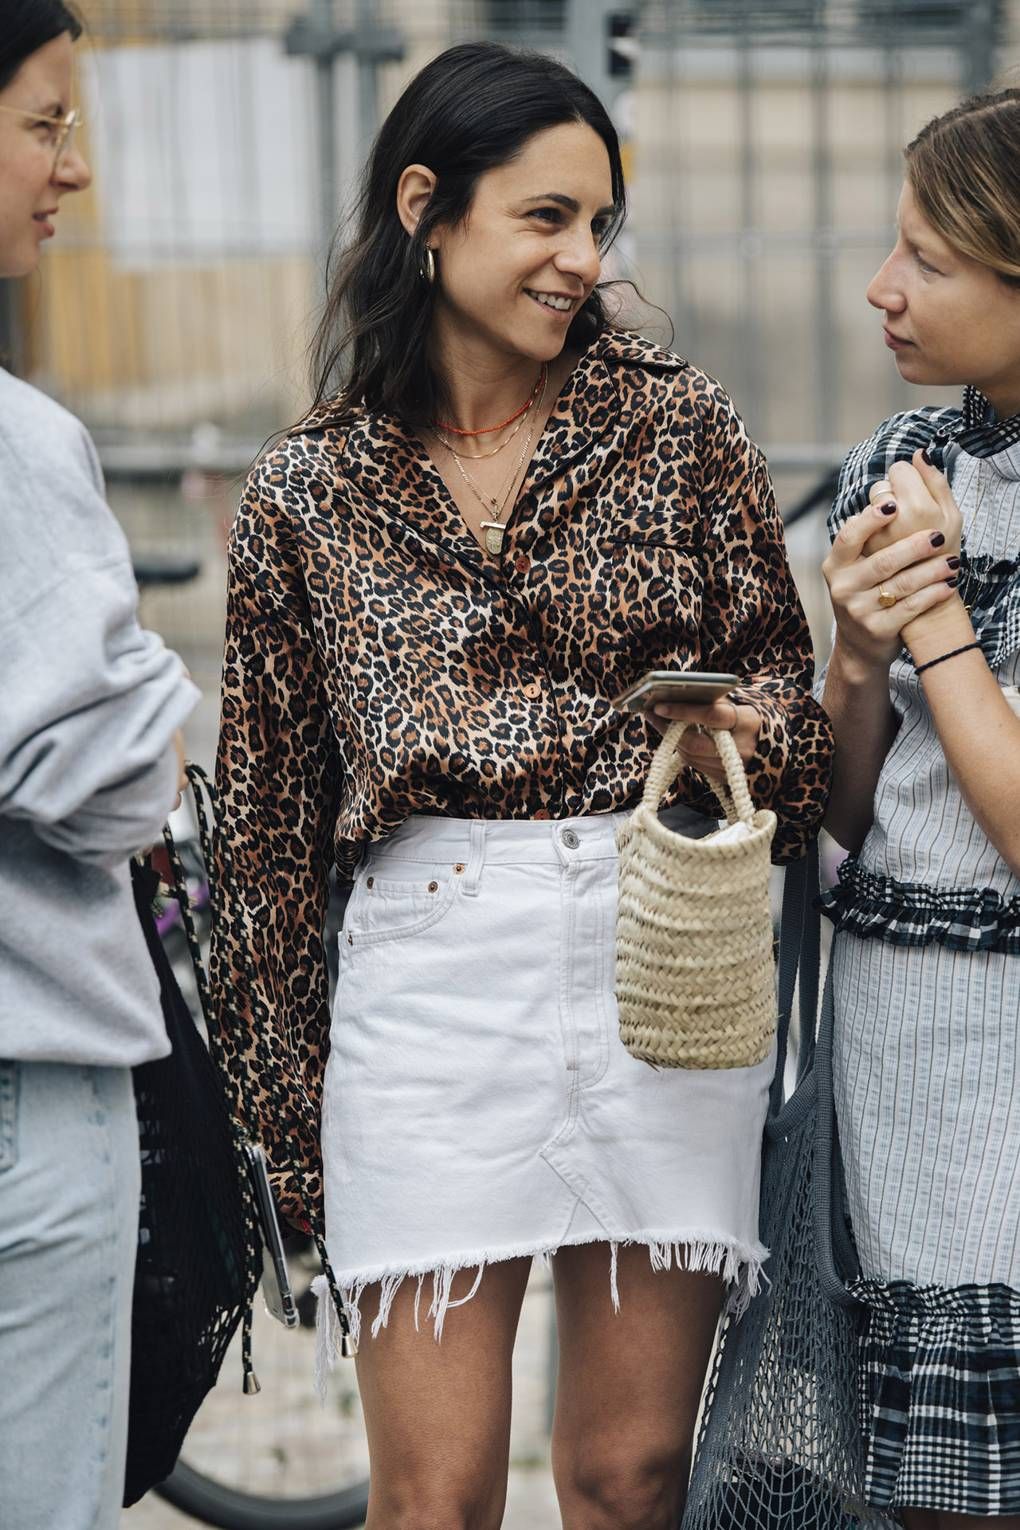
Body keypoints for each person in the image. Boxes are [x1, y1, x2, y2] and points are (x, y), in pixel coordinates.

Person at [213, 41, 832, 1530]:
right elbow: (265, 841)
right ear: (428, 209)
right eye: (545, 217)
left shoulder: (680, 427)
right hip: (428, 984)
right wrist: (287, 1129)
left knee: (630, 1479)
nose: (582, 258)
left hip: (661, 967)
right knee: (432, 1500)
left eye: (601, 225)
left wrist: (735, 736)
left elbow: (798, 723)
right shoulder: (309, 491)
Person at [0, 5, 199, 1527]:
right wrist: (161, 682)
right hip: (29, 1075)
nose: (72, 169)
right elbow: (106, 775)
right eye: (44, 122)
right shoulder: (15, 447)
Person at [819, 88, 1020, 1530]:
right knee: (933, 1498)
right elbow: (845, 812)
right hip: (901, 1056)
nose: (884, 290)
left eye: (931, 263)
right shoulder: (902, 464)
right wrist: (853, 650)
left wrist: (935, 622)